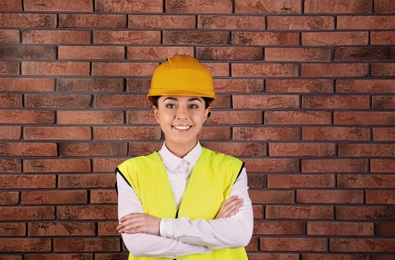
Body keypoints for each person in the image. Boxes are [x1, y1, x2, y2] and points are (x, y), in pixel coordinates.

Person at [115, 55, 253, 260]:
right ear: (156, 113)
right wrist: (211, 238)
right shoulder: (131, 172)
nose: (182, 115)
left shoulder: (231, 169)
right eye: (170, 105)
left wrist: (158, 226)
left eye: (194, 105)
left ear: (207, 112)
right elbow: (139, 244)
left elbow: (240, 234)